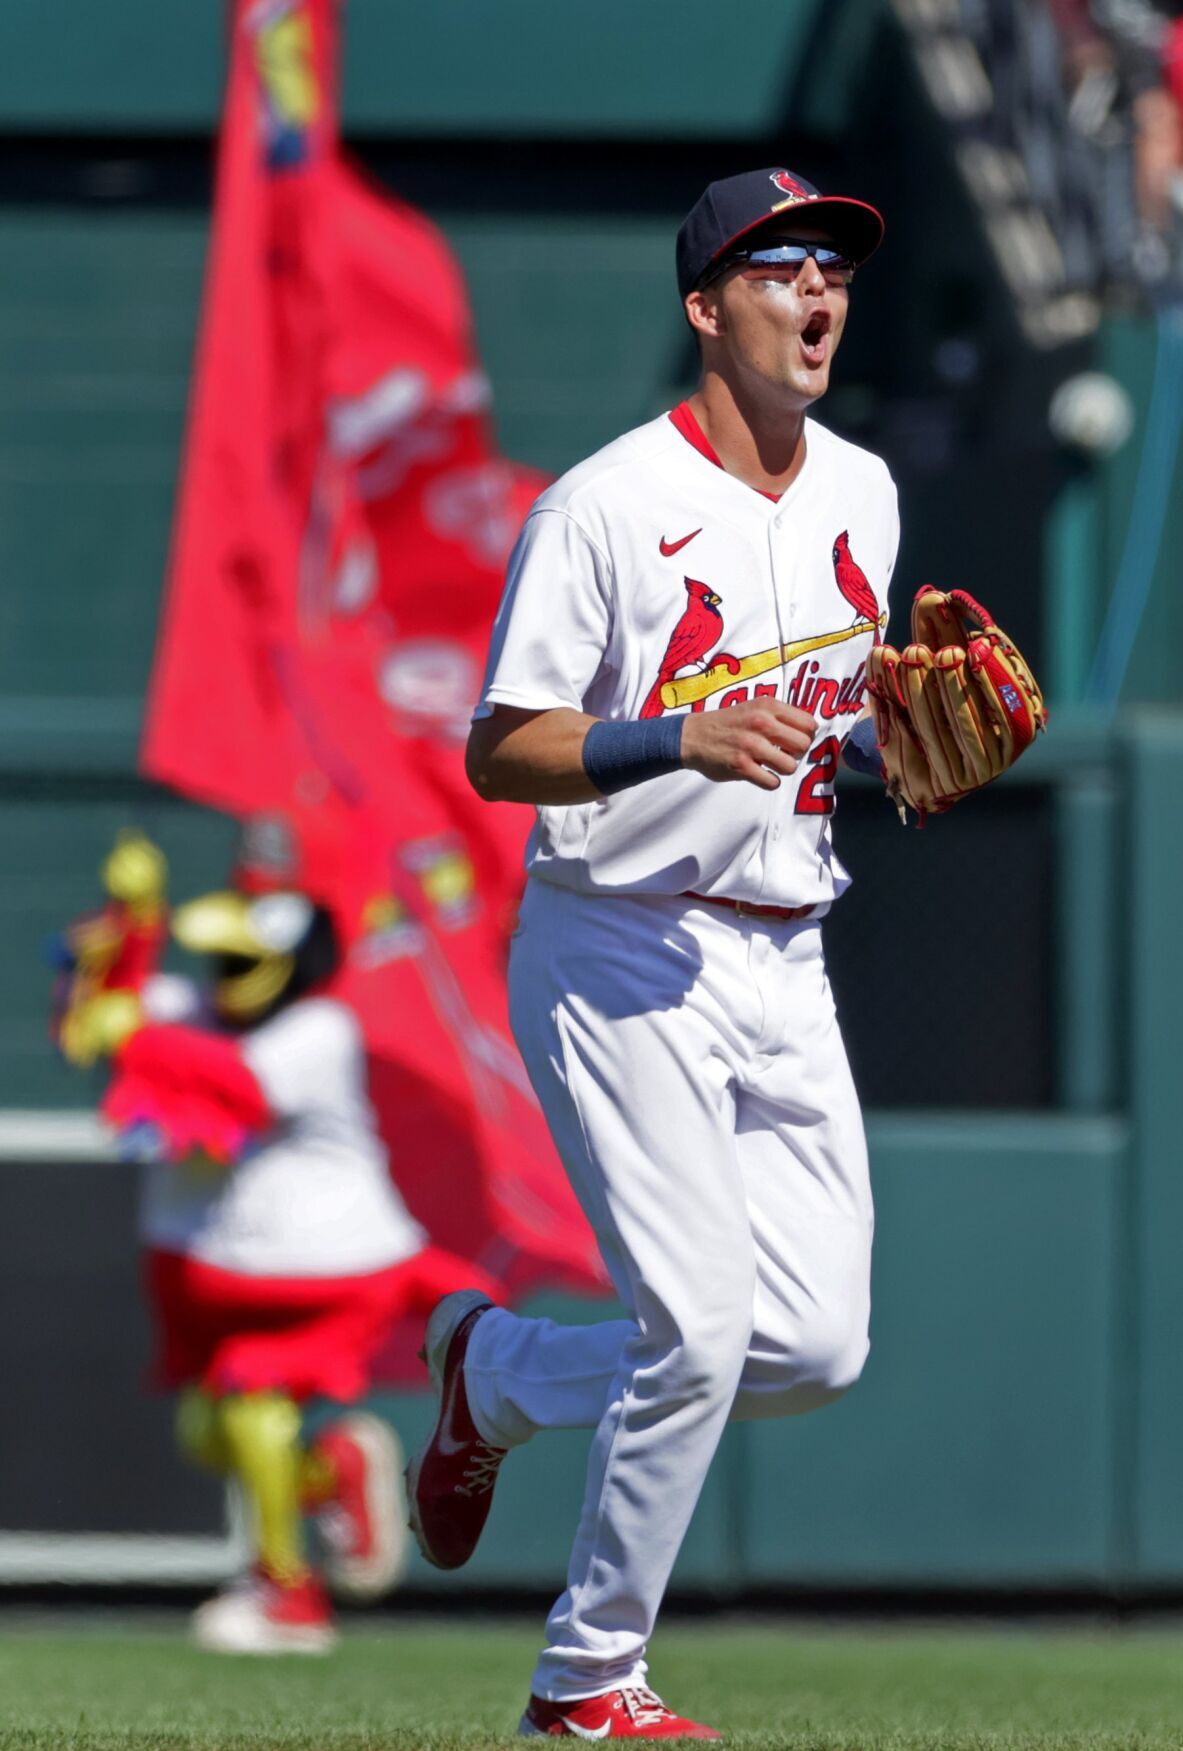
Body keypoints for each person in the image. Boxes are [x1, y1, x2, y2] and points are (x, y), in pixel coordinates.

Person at [406, 168, 898, 1738]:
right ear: (705, 307)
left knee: (813, 1342)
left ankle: (497, 1372)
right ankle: (585, 1676)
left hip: (784, 949)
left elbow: (840, 732)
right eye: (777, 267)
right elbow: (498, 747)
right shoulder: (603, 501)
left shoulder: (865, 491)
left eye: (830, 264)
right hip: (616, 940)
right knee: (691, 1327)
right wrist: (672, 733)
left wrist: (909, 749)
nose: (814, 290)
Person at [53, 826, 500, 1653]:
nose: (226, 979)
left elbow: (239, 1086)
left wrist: (136, 1035)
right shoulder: (191, 1008)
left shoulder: (319, 1030)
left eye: (245, 962)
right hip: (212, 1272)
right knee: (204, 1430)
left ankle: (287, 1593)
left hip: (322, 1270)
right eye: (218, 961)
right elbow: (101, 1012)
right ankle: (331, 1472)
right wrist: (135, 921)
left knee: (254, 1406)